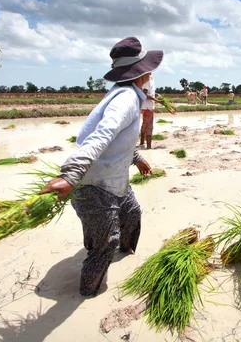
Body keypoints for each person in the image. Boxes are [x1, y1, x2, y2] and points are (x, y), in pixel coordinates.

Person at [40, 36, 162, 297]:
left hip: (114, 181)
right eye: (150, 71)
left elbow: (119, 140)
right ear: (143, 73)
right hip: (94, 187)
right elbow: (101, 136)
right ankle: (86, 295)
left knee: (131, 214)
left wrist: (137, 159)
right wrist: (71, 175)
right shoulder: (125, 99)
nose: (152, 76)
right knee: (104, 245)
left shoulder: (127, 95)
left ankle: (126, 257)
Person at [139, 74, 165, 149]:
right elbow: (144, 94)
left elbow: (150, 92)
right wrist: (157, 101)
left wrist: (155, 94)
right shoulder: (147, 80)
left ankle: (141, 143)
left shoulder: (151, 79)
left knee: (145, 124)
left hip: (147, 106)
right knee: (149, 127)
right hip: (148, 107)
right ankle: (149, 148)